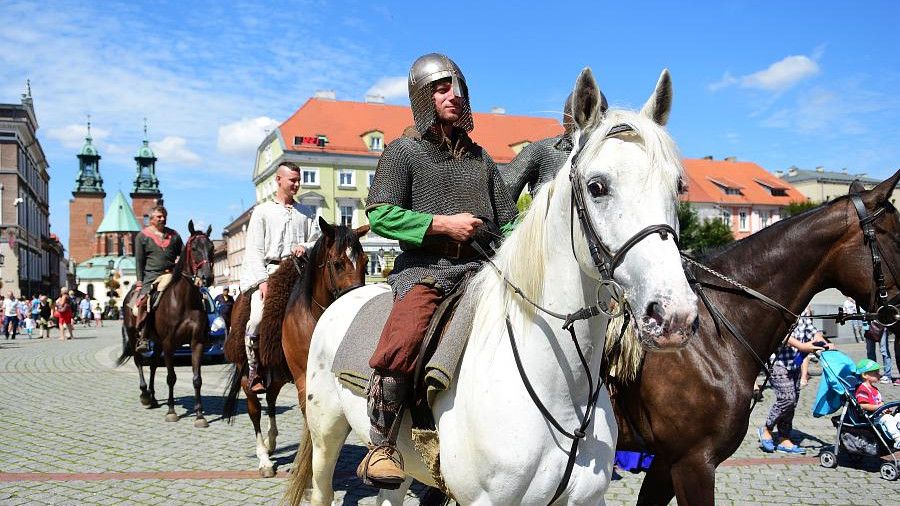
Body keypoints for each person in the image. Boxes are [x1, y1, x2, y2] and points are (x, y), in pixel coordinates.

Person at [356, 53, 517, 488]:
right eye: (442, 88)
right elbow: (381, 215)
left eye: (457, 87)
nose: (454, 95)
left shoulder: (481, 159)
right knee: (405, 334)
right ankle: (382, 444)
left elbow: (508, 219)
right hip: (428, 269)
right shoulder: (404, 152)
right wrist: (442, 224)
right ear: (423, 97)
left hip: (483, 269)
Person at [239, 162, 318, 394]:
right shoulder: (262, 211)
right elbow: (253, 249)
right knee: (256, 319)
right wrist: (262, 281)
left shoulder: (306, 212)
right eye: (292, 180)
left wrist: (305, 245)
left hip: (300, 273)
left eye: (298, 180)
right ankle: (255, 369)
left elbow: (316, 239)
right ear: (279, 180)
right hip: (270, 273)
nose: (296, 184)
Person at [501, 91, 606, 200]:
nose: (587, 117)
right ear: (568, 114)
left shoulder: (611, 154)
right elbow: (502, 191)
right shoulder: (542, 150)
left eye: (595, 111)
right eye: (582, 110)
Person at [758, 321, 833, 454]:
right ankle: (766, 428)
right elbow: (780, 333)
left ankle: (784, 437)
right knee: (787, 398)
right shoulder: (784, 307)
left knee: (792, 403)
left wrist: (822, 341)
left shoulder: (803, 312)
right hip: (778, 362)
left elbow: (812, 331)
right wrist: (802, 346)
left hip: (795, 363)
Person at [133, 205, 184, 353]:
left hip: (172, 275)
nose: (163, 219)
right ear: (151, 219)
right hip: (152, 276)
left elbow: (183, 253)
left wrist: (180, 260)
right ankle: (143, 336)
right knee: (143, 303)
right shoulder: (142, 236)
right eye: (159, 217)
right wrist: (139, 282)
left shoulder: (174, 235)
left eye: (164, 216)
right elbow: (139, 262)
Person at [855, 358, 900, 449]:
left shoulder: (874, 389)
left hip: (880, 414)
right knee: (888, 418)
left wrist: (884, 408)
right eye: (876, 373)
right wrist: (878, 407)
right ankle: (897, 438)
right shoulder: (862, 389)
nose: (879, 375)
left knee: (898, 415)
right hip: (872, 417)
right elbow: (862, 405)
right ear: (865, 375)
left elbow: (880, 401)